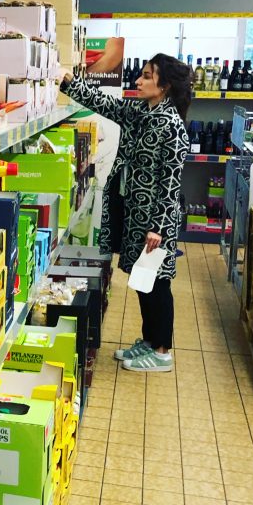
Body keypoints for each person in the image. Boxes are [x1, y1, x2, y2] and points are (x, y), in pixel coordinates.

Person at [59, 54, 191, 373]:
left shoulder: (172, 126)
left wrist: (158, 228)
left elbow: (170, 183)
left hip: (155, 221)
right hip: (135, 215)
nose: (138, 81)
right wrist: (69, 82)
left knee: (158, 283)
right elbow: (106, 104)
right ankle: (149, 340)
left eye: (146, 76)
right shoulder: (141, 112)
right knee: (143, 280)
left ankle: (162, 351)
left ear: (164, 85)